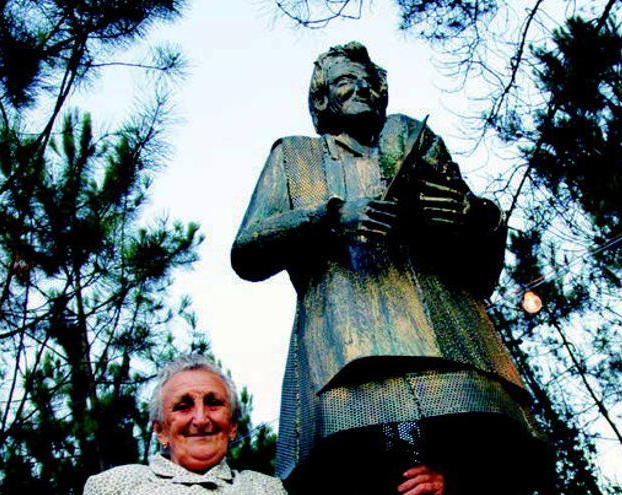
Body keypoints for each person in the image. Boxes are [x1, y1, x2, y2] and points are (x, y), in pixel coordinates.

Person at [231, 42, 549, 495]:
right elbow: (246, 252)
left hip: (455, 349)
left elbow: (481, 273)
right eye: (345, 82)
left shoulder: (414, 141)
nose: (361, 87)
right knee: (356, 476)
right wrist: (330, 217)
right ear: (322, 100)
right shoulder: (295, 157)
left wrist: (477, 218)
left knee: (486, 465)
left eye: (368, 80)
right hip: (343, 361)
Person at [83, 354, 444, 495]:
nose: (200, 418)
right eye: (182, 406)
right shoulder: (117, 486)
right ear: (160, 429)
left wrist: (439, 489)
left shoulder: (269, 490)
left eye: (213, 403)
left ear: (233, 426)